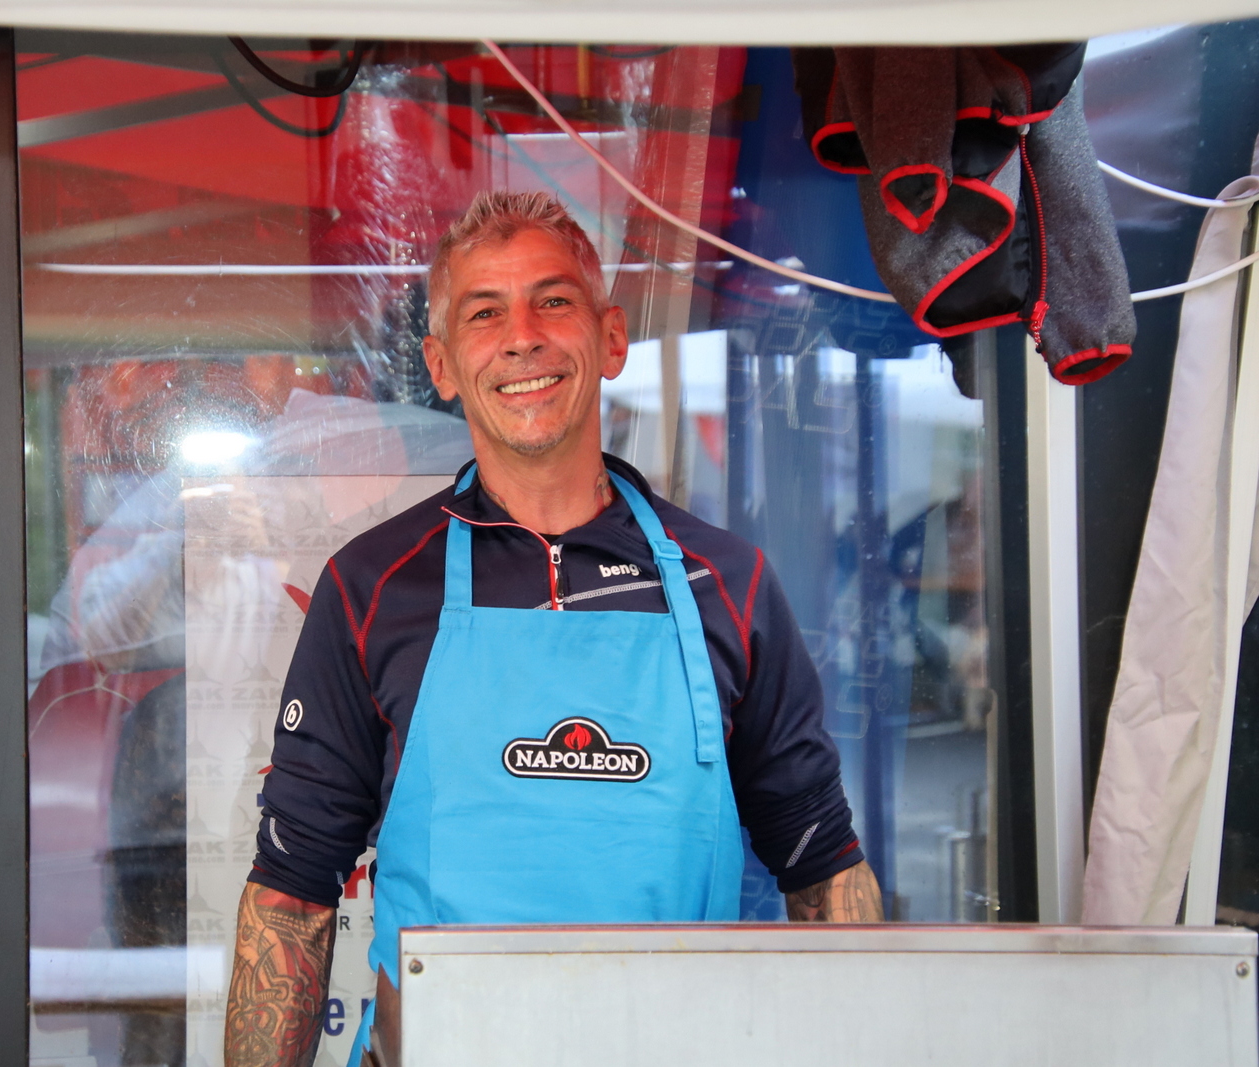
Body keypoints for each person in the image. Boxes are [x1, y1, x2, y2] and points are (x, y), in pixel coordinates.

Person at [223, 191, 883, 1067]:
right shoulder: (372, 589)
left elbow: (824, 868)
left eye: (554, 300)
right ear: (442, 364)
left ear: (610, 338)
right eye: (484, 313)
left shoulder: (729, 587)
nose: (522, 337)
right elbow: (293, 895)